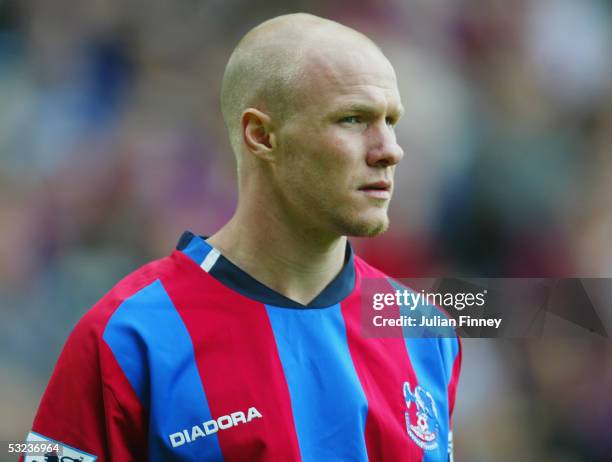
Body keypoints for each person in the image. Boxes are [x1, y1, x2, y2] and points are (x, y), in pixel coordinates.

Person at [22, 13, 461, 462]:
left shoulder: (423, 330)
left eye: (391, 120)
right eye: (353, 119)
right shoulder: (127, 337)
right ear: (261, 135)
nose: (390, 149)